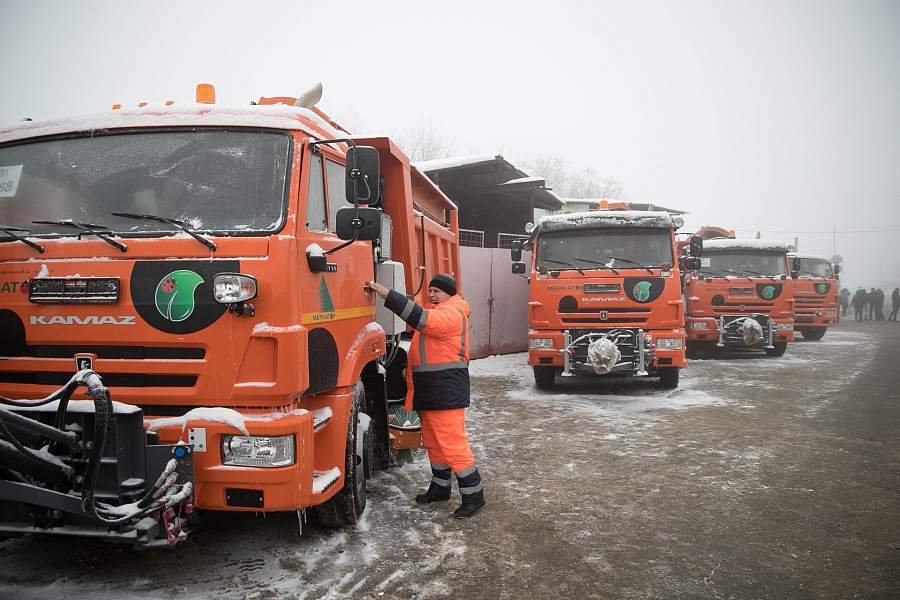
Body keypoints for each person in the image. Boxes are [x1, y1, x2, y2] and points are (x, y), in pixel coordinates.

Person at [368, 274, 486, 518]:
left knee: (453, 445)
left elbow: (421, 319)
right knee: (435, 443)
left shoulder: (451, 313)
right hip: (433, 390)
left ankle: (474, 495)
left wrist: (389, 296)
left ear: (449, 294)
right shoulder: (441, 311)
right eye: (430, 290)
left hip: (445, 391)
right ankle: (440, 488)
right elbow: (431, 353)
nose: (431, 294)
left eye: (437, 291)